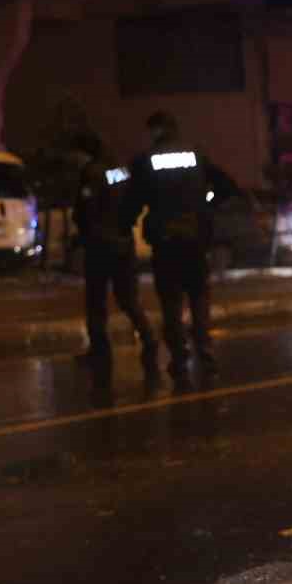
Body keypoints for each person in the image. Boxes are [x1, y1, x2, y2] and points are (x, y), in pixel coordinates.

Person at [119, 110, 218, 387]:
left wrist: (122, 224)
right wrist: (206, 204)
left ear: (155, 131)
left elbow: (129, 195)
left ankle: (179, 358)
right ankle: (206, 354)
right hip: (195, 242)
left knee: (171, 304)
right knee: (199, 300)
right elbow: (225, 185)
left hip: (166, 244)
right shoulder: (195, 155)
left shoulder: (146, 161)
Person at [71, 132, 158, 378]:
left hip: (100, 245)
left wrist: (84, 230)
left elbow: (83, 211)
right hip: (123, 242)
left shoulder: (91, 173)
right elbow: (132, 200)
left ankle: (100, 351)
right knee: (128, 297)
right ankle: (149, 337)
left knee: (96, 301)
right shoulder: (120, 170)